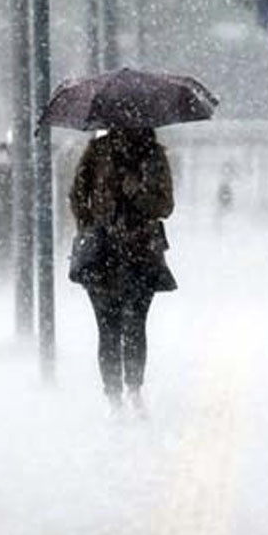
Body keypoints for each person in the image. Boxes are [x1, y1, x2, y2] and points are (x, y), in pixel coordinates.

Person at [69, 127, 176, 415]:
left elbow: (165, 206)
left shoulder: (153, 155)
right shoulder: (97, 153)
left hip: (140, 253)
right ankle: (114, 396)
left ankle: (134, 389)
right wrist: (93, 225)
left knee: (135, 324)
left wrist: (137, 192)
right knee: (108, 327)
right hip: (102, 254)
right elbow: (77, 196)